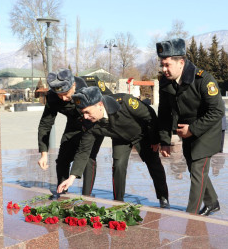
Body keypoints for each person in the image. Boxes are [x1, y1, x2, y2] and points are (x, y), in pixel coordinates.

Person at [57, 86, 170, 208]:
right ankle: (118, 201)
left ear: (99, 105)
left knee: (154, 165)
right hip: (120, 138)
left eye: (87, 112)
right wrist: (72, 177)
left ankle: (163, 197)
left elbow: (149, 115)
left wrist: (155, 139)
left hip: (142, 135)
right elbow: (84, 151)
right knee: (118, 166)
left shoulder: (125, 102)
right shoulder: (89, 123)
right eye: (82, 112)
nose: (85, 116)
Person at [156, 38, 225, 216]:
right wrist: (164, 140)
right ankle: (212, 202)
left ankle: (191, 215)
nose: (164, 69)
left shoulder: (203, 79)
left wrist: (193, 129)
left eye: (167, 65)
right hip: (186, 130)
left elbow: (217, 111)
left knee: (197, 169)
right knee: (194, 166)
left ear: (181, 62)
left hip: (208, 128)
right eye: (162, 64)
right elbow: (164, 113)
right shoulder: (165, 82)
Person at [37, 68, 110, 196]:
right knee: (62, 159)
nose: (64, 98)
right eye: (60, 95)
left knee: (88, 158)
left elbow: (108, 103)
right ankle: (62, 192)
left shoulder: (89, 87)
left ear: (74, 85)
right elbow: (45, 124)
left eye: (66, 94)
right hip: (74, 124)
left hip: (93, 123)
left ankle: (87, 196)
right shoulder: (53, 97)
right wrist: (44, 153)